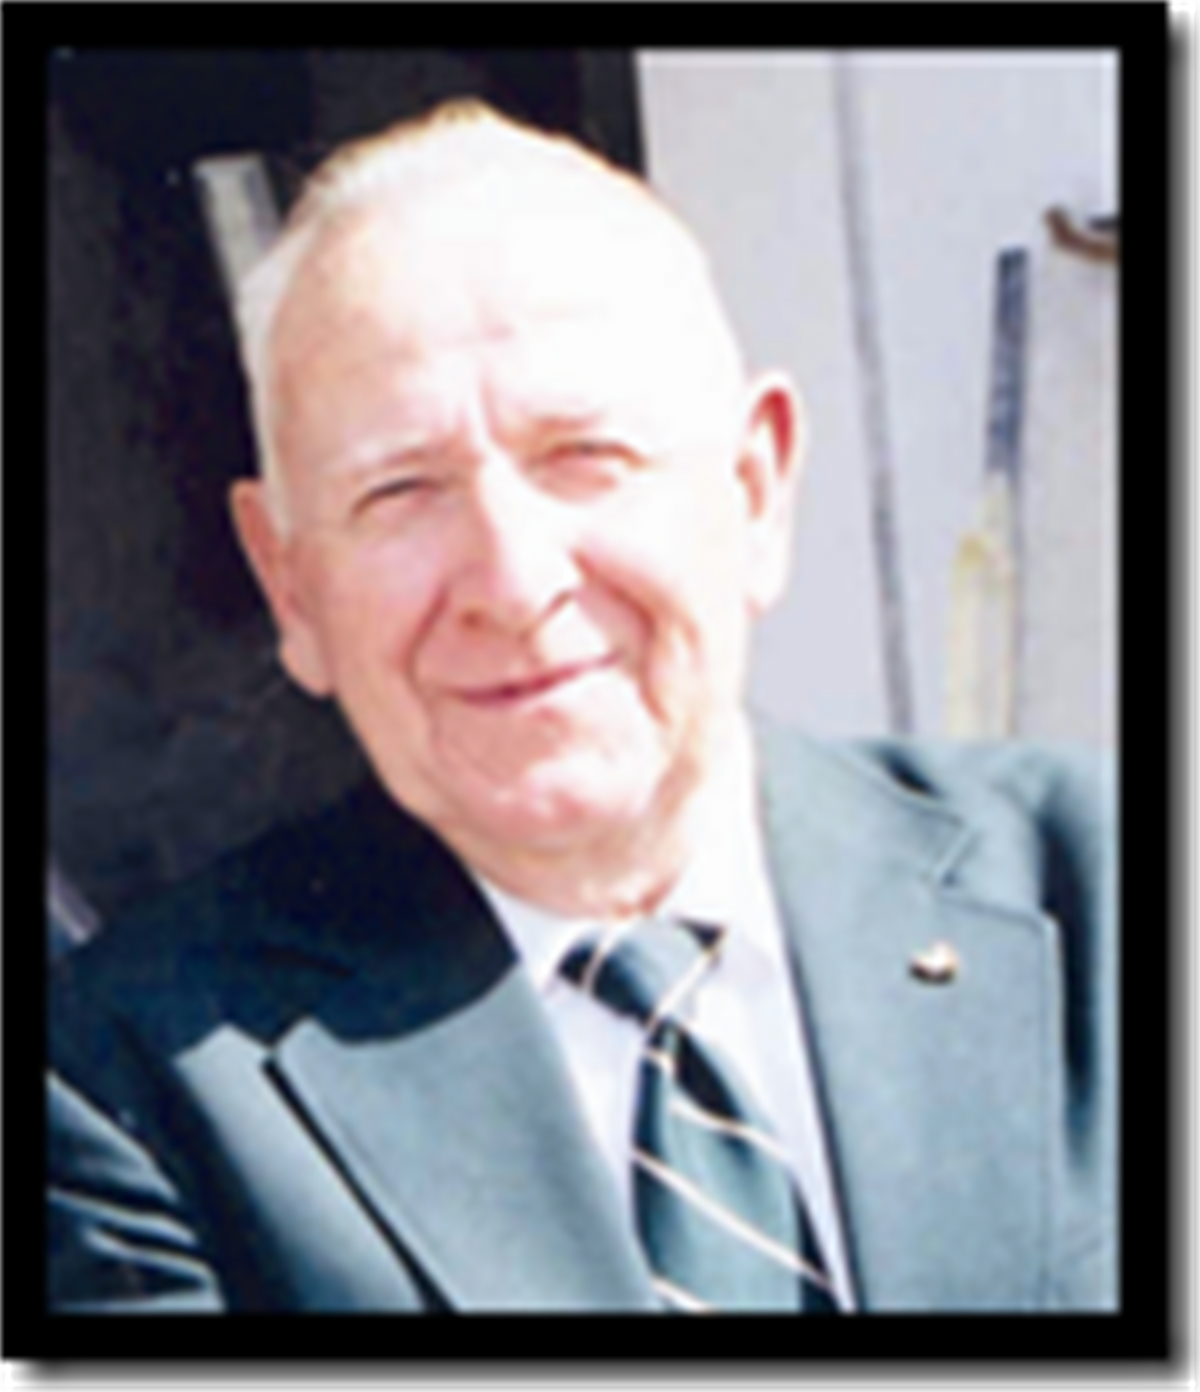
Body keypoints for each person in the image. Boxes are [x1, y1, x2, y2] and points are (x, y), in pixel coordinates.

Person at [48, 98, 1116, 1314]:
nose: (512, 584)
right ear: (289, 584)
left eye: (584, 458)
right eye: (400, 492)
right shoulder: (128, 1091)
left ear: (756, 491)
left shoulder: (1111, 894)